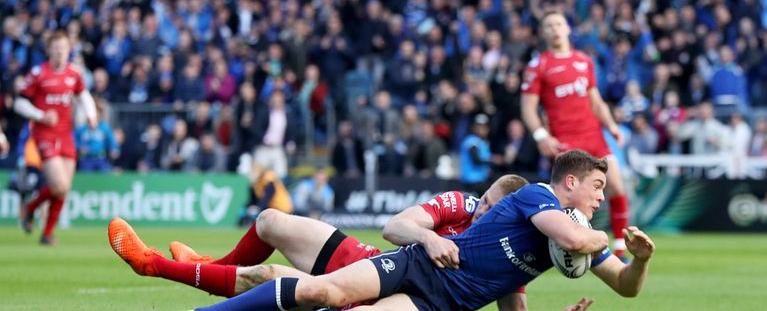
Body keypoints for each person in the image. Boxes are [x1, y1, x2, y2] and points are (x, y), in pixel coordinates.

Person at [184, 150, 654, 311]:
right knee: (320, 292)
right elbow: (576, 241)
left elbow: (625, 288)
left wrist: (641, 260)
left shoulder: (571, 232)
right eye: (596, 186)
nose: (600, 195)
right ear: (569, 182)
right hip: (420, 261)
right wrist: (604, 237)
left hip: (437, 303)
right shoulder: (538, 197)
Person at [108, 175, 572, 311]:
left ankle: (152, 264)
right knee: (270, 220)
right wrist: (430, 238)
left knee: (266, 277)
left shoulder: (506, 254)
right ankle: (210, 266)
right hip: (370, 259)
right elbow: (395, 227)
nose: (481, 210)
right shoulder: (460, 204)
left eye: (492, 208)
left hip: (384, 293)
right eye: (485, 200)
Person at [521, 12, 631, 258]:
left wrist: (612, 126)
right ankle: (554, 246)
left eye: (558, 24)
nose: (554, 29)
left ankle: (621, 249)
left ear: (568, 29)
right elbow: (528, 107)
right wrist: (541, 135)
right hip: (565, 141)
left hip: (593, 135)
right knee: (567, 198)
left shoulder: (584, 61)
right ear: (543, 33)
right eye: (548, 25)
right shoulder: (538, 65)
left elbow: (596, 101)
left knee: (615, 186)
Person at [14, 31, 98, 245]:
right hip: (44, 134)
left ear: (69, 50)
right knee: (59, 185)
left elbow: (83, 95)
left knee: (63, 190)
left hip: (66, 134)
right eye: (56, 47)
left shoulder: (74, 73)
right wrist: (41, 115)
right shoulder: (38, 73)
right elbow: (19, 103)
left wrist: (91, 114)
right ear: (49, 49)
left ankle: (46, 232)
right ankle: (31, 209)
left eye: (64, 48)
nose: (60, 51)